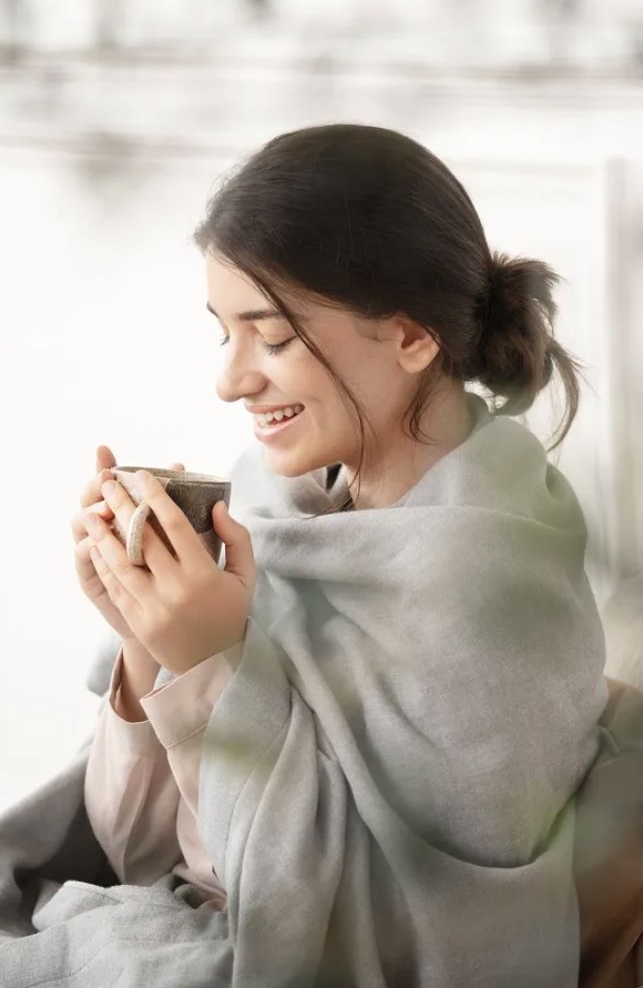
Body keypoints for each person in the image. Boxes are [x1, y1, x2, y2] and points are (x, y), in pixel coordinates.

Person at [0, 123, 635, 987]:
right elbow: (136, 851)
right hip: (168, 929)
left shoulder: (490, 596)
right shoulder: (272, 506)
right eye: (222, 332)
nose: (230, 380)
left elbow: (403, 948)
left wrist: (213, 665)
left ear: (412, 339)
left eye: (273, 336)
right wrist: (147, 641)